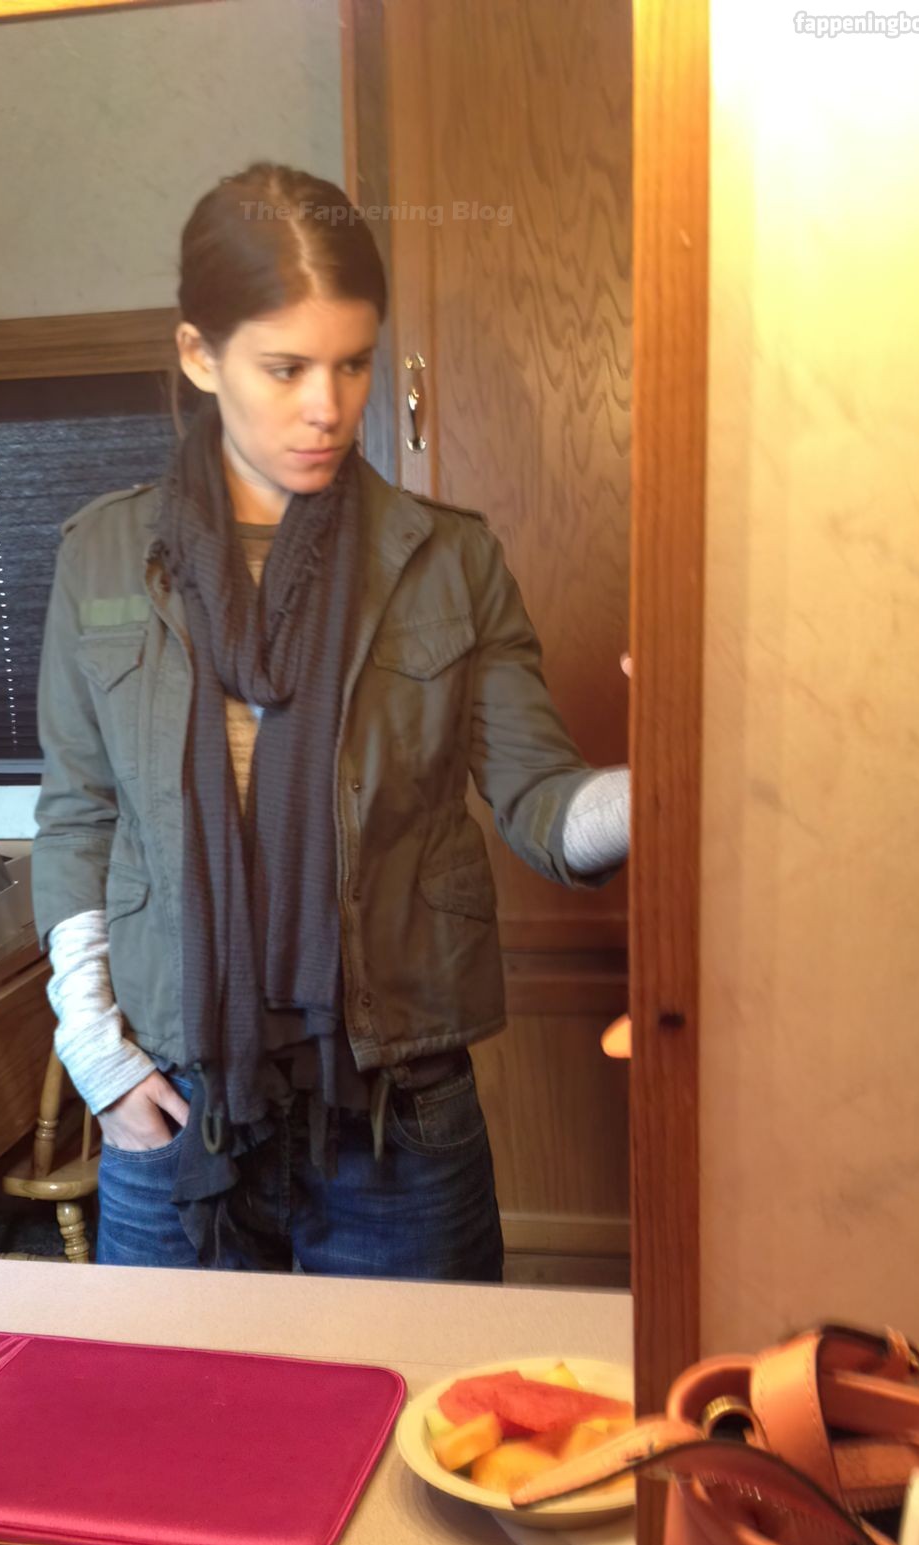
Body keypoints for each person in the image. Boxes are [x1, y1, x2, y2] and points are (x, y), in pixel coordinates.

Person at [31, 161, 628, 1283]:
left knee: (424, 1398)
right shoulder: (103, 556)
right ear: (199, 355)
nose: (328, 405)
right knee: (178, 1402)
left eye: (353, 363)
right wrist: (99, 1061)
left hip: (398, 1114)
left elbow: (543, 801)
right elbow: (78, 819)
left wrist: (667, 788)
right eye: (286, 367)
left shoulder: (448, 560)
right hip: (174, 1105)